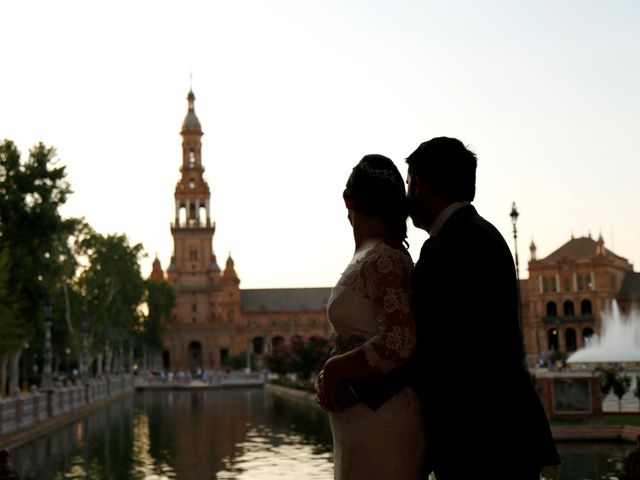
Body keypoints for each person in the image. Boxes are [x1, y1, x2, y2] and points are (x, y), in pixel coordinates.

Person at [349, 137, 560, 479]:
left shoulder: (447, 247)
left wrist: (357, 388)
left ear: (419, 183)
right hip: (508, 430)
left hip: (479, 438)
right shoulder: (484, 234)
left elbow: (429, 344)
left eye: (408, 182)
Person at [315, 154, 427, 479]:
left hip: (383, 419)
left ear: (348, 202)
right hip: (362, 419)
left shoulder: (382, 259)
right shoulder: (376, 254)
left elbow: (400, 340)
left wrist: (335, 367)